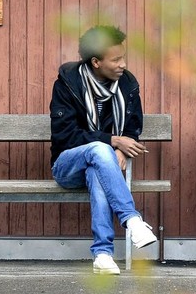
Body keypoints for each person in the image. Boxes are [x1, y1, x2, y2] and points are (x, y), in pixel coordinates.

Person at [49, 25, 157, 274]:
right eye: (116, 59)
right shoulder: (68, 84)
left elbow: (132, 128)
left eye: (124, 57)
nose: (123, 64)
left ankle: (103, 256)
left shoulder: (127, 84)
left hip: (102, 165)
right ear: (96, 62)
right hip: (67, 165)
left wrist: (119, 150)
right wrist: (113, 142)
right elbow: (65, 136)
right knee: (98, 149)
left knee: (99, 169)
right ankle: (132, 219)